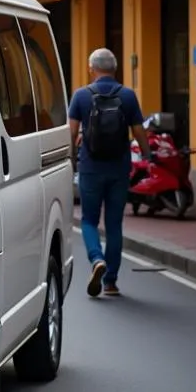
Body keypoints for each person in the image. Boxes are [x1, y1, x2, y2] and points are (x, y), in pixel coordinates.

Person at [68, 48, 151, 298]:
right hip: (119, 168)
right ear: (115, 69)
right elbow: (138, 131)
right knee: (114, 224)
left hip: (91, 169)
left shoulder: (81, 96)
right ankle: (111, 282)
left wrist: (72, 160)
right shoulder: (127, 96)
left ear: (91, 68)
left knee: (88, 220)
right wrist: (147, 155)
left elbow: (71, 133)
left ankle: (96, 259)